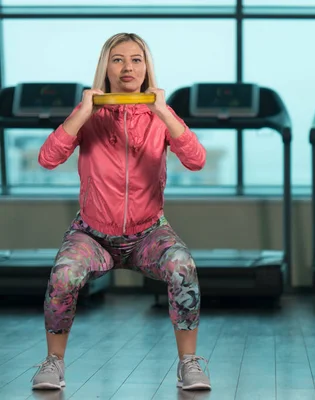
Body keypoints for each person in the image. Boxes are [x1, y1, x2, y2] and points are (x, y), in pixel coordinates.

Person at [31, 33, 211, 391]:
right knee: (63, 275)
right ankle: (53, 363)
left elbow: (196, 160)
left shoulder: (161, 114)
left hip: (148, 233)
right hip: (92, 234)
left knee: (183, 267)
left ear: (146, 68)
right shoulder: (89, 115)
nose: (127, 67)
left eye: (136, 59)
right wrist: (83, 112)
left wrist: (162, 111)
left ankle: (189, 363)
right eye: (118, 59)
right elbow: (47, 159)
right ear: (106, 67)